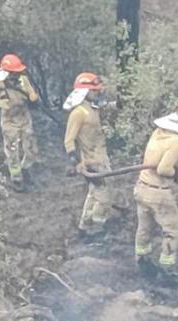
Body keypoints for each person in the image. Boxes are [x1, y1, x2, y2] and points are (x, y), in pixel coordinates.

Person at [133, 104, 178, 282]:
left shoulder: (158, 133)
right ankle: (166, 270)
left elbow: (158, 160)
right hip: (159, 194)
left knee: (144, 228)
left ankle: (142, 261)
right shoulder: (177, 141)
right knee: (172, 232)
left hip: (142, 188)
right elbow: (164, 169)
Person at [63, 72, 113, 239]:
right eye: (94, 90)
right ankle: (97, 229)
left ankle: (84, 227)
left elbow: (105, 108)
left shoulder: (92, 108)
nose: (97, 92)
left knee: (93, 194)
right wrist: (74, 160)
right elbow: (69, 140)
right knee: (104, 197)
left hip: (100, 158)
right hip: (91, 162)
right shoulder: (79, 113)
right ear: (84, 92)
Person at [0, 54, 40, 190]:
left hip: (24, 117)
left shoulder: (23, 79)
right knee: (12, 149)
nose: (16, 74)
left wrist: (32, 96)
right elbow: (3, 104)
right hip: (9, 120)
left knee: (31, 147)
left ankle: (26, 169)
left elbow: (31, 93)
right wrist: (3, 88)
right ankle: (16, 178)